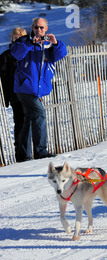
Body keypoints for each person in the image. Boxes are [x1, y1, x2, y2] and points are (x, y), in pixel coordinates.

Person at [11, 17, 67, 162]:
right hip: (25, 87)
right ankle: (41, 151)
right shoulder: (24, 42)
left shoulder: (48, 45)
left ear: (46, 28)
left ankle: (23, 154)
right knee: (39, 114)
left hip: (37, 88)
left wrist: (56, 43)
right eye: (36, 27)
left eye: (41, 28)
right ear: (32, 27)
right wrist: (30, 43)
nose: (39, 30)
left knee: (29, 119)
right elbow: (16, 53)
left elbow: (61, 54)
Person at [0, 28, 27, 160]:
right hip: (15, 94)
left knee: (30, 120)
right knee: (19, 120)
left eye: (20, 38)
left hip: (28, 91)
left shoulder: (29, 53)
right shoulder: (6, 56)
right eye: (15, 37)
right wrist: (5, 96)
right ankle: (20, 151)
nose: (17, 40)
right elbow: (3, 77)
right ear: (11, 39)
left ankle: (27, 149)